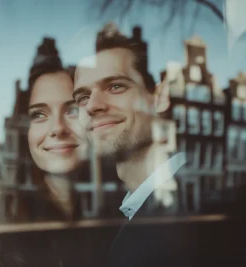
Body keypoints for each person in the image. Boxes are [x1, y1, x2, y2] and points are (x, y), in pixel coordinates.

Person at [73, 23, 194, 267]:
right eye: (83, 97)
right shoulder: (140, 211)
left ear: (159, 98)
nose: (92, 105)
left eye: (115, 86)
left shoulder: (200, 218)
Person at [0, 52, 91, 267]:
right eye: (39, 114)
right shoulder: (6, 246)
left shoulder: (123, 220)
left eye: (72, 110)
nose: (58, 128)